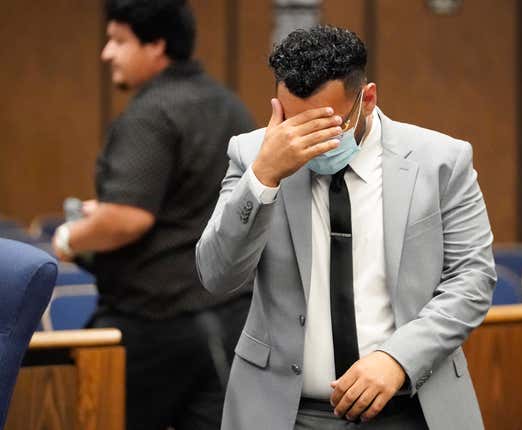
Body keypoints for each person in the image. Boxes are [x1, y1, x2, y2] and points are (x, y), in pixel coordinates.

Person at [196, 25, 496, 430]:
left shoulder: (441, 160)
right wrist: (264, 176)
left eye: (325, 126)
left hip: (411, 407)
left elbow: (472, 279)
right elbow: (216, 274)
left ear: (367, 100)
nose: (308, 143)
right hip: (286, 412)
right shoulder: (252, 155)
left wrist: (398, 358)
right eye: (293, 124)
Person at [51, 1, 255, 429]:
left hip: (154, 324)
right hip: (231, 317)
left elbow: (128, 219)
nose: (107, 53)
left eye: (119, 41)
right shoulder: (228, 105)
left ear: (157, 45)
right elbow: (191, 202)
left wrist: (70, 237)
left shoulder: (151, 113)